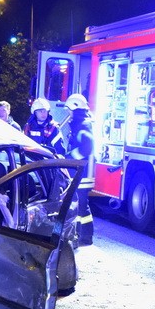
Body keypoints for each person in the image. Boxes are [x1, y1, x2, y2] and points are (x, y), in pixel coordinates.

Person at [64, 93, 96, 246]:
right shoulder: (81, 122)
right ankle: (83, 236)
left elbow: (87, 147)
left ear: (75, 108)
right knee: (81, 204)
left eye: (69, 109)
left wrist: (69, 156)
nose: (68, 112)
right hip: (81, 171)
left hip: (83, 172)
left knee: (81, 205)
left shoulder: (83, 125)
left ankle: (84, 237)